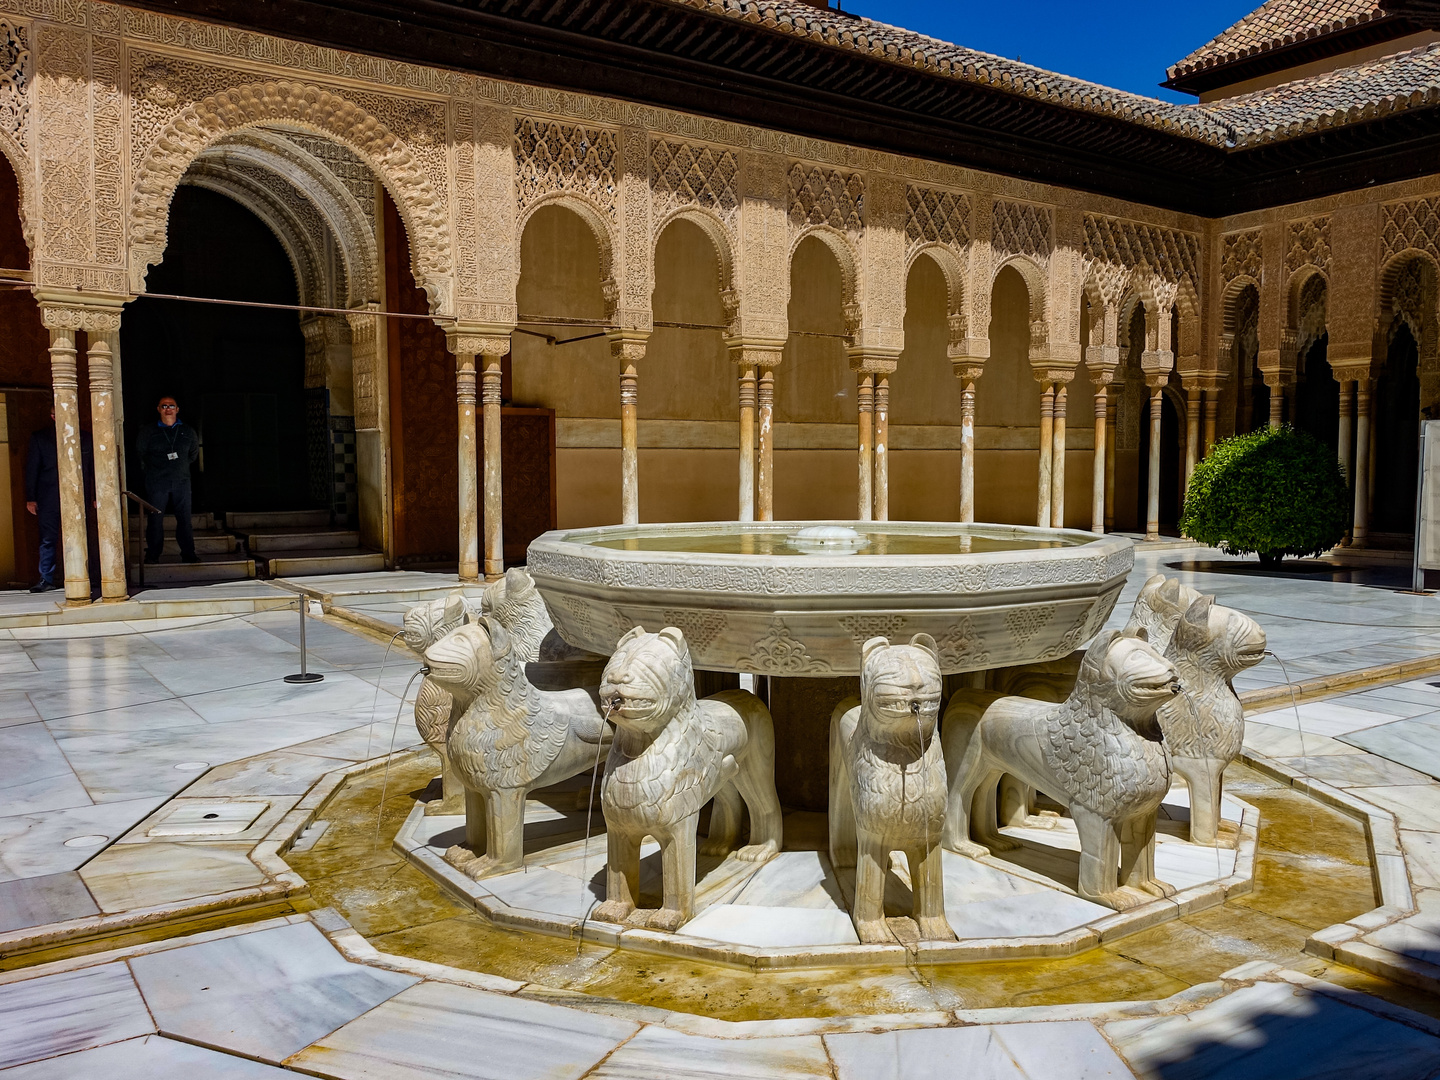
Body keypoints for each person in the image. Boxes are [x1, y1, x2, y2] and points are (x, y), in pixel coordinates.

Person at [136, 394, 201, 564]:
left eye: (171, 406)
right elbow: (141, 454)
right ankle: (153, 555)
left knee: (184, 519)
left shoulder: (187, 431)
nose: (168, 409)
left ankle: (188, 554)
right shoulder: (149, 432)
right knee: (155, 519)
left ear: (177, 409)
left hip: (181, 481)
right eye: (164, 406)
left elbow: (193, 455)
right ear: (158, 409)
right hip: (157, 481)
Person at [23, 409, 60, 592]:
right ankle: (46, 578)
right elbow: (32, 469)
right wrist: (31, 498)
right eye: (55, 412)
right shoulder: (40, 438)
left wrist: (95, 496)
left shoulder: (84, 437)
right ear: (52, 416)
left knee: (82, 537)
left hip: (79, 497)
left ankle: (84, 576)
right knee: (47, 538)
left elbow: (91, 468)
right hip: (48, 497)